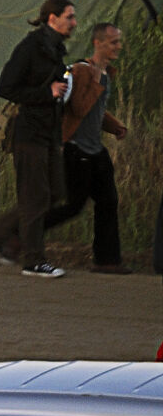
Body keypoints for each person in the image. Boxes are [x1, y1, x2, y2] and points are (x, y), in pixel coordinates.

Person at [0, 0, 76, 279]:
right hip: (29, 132)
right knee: (35, 198)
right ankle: (34, 260)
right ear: (52, 18)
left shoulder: (55, 48)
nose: (74, 23)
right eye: (69, 17)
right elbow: (6, 87)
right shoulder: (31, 47)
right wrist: (47, 93)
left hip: (48, 133)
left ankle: (0, 231)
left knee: (56, 192)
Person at [43, 21, 130, 274]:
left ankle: (107, 260)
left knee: (108, 201)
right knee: (74, 205)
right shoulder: (81, 71)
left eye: (118, 42)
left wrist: (115, 127)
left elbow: (95, 110)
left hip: (95, 149)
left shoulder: (105, 74)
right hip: (75, 149)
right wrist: (96, 79)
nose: (118, 46)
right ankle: (21, 233)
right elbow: (79, 108)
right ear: (97, 43)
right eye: (113, 42)